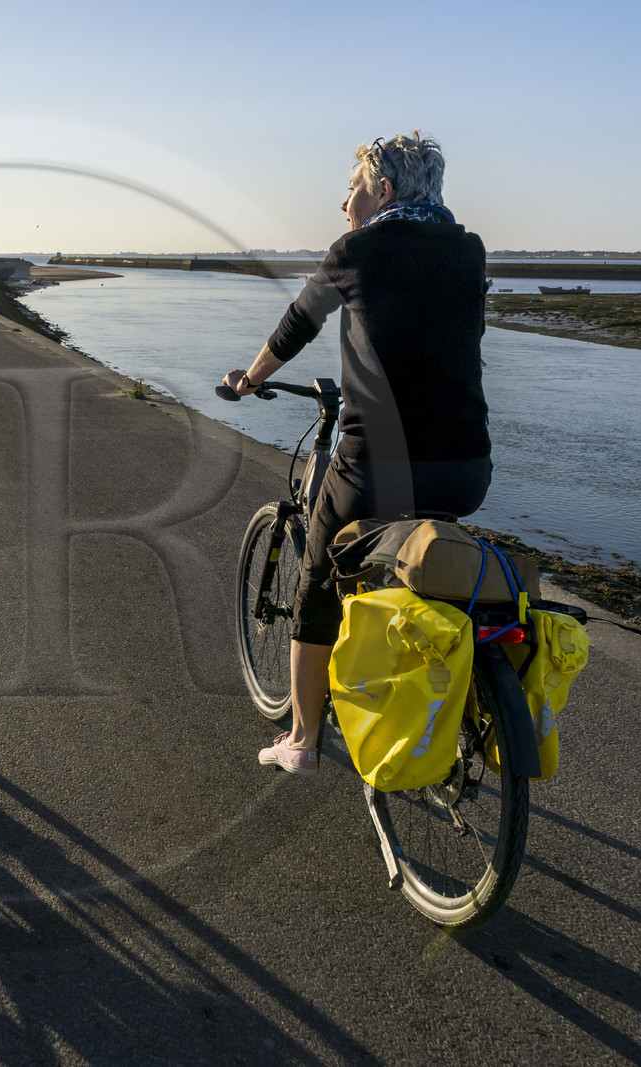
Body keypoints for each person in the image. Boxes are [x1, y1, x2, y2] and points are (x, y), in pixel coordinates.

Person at [222, 130, 492, 775]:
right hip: (467, 464)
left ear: (383, 190)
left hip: (377, 464)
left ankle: (303, 741)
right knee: (431, 565)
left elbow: (299, 322)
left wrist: (251, 379)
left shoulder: (357, 249)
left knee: (317, 581)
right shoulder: (469, 250)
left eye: (353, 188)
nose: (344, 201)